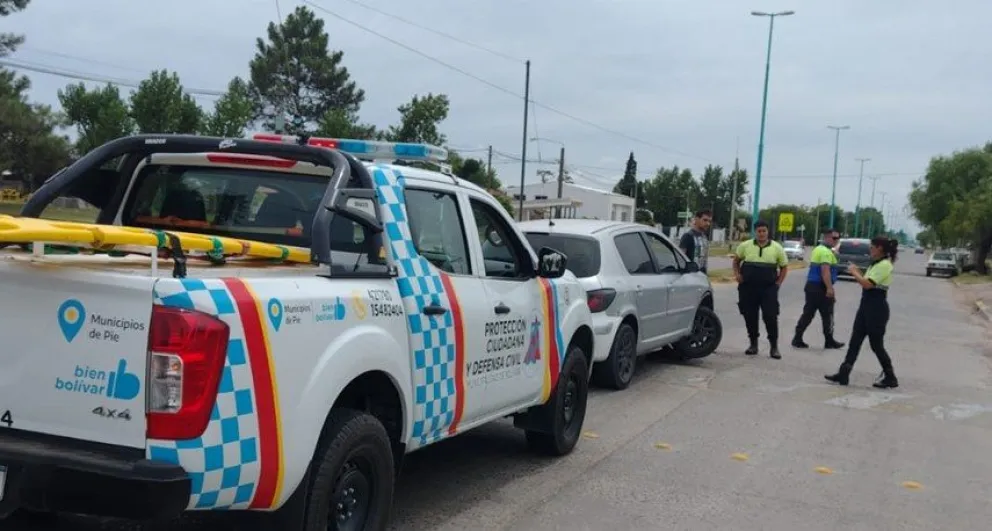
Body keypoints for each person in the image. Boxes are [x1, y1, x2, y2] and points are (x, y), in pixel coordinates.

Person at [824, 236, 900, 389]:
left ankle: (890, 376)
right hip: (866, 306)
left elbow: (867, 284)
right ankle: (844, 372)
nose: (870, 250)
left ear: (879, 248)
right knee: (855, 341)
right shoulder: (875, 264)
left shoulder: (885, 265)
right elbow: (865, 281)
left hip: (877, 308)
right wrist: (857, 271)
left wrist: (854, 272)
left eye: (872, 247)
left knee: (876, 344)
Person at [733, 220, 789, 359]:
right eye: (759, 231)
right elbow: (736, 261)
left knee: (770, 316)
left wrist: (778, 284)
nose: (762, 233)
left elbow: (784, 267)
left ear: (768, 232)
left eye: (764, 231)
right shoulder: (745, 246)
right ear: (755, 232)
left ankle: (774, 347)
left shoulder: (777, 247)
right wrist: (737, 274)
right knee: (750, 316)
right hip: (748, 288)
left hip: (768, 289)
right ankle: (753, 344)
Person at [791, 228, 845, 349]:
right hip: (821, 286)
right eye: (834, 238)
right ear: (826, 237)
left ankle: (797, 337)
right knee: (828, 315)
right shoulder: (825, 252)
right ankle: (829, 340)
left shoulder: (819, 249)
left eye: (838, 238)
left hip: (811, 286)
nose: (836, 240)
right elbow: (825, 271)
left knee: (808, 313)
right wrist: (829, 289)